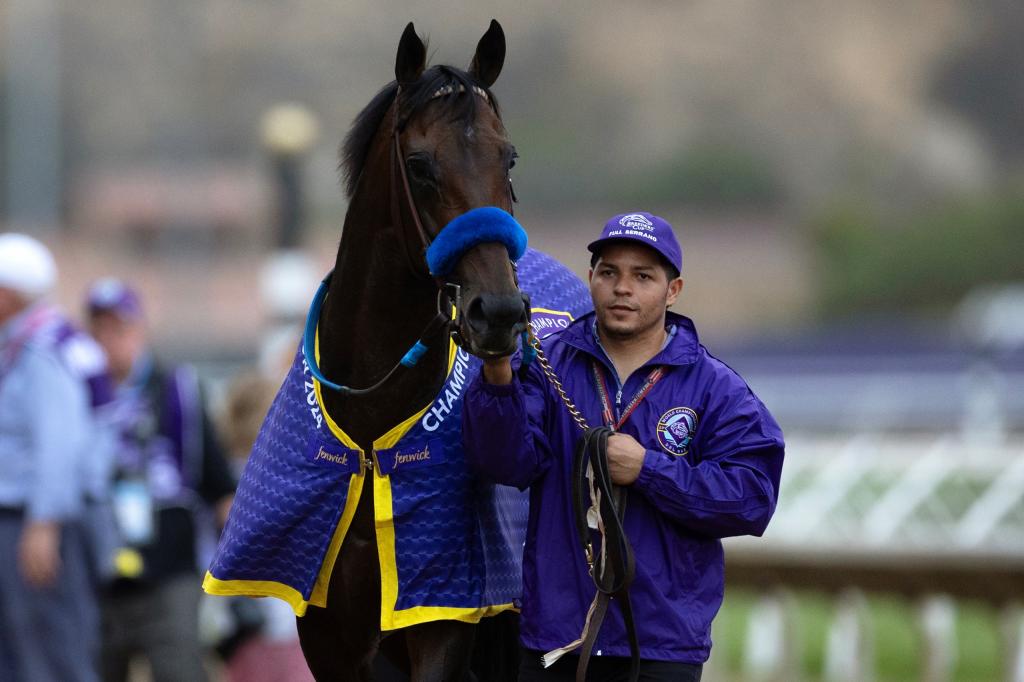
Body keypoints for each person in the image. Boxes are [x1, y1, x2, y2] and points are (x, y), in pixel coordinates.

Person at [462, 212, 785, 681]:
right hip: (556, 642)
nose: (623, 288)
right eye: (609, 272)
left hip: (661, 647)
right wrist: (496, 372)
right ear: (590, 278)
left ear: (673, 290)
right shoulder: (545, 365)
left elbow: (753, 499)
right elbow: (502, 463)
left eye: (643, 276)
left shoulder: (716, 388)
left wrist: (648, 470)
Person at [84, 277, 236, 682]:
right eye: (99, 329)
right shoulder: (77, 393)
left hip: (171, 568)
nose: (108, 340)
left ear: (140, 330)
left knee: (180, 670)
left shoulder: (176, 389)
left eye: (119, 328)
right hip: (97, 571)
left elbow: (217, 481)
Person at [0, 233, 101, 682]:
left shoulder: (42, 348)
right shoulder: (28, 341)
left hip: (33, 522)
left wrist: (43, 523)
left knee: (49, 650)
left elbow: (61, 441)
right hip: (23, 519)